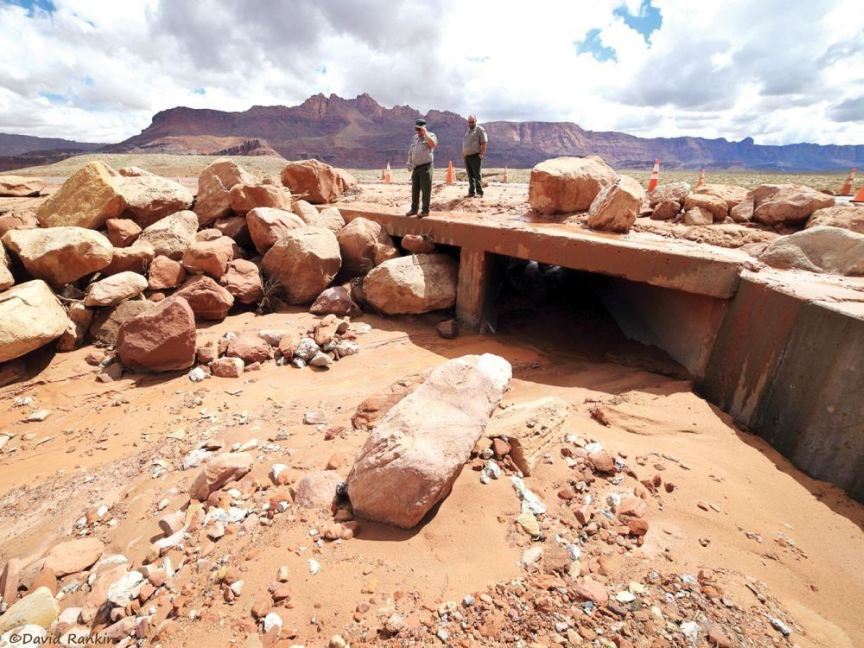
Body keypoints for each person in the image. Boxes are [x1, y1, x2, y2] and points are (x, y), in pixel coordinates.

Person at [405, 118, 437, 218]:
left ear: (424, 127)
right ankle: (414, 209)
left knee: (425, 190)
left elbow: (433, 144)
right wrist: (409, 162)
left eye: (419, 129)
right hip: (416, 167)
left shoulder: (431, 135)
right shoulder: (414, 138)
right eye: (416, 129)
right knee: (415, 189)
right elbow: (411, 151)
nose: (418, 131)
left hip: (426, 166)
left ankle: (425, 211)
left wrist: (425, 133)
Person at [462, 114, 488, 197]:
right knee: (470, 175)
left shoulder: (479, 129)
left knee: (477, 175)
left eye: (472, 122)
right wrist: (464, 153)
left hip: (475, 156)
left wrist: (481, 154)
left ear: (476, 121)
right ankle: (471, 192)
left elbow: (484, 142)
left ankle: (479, 192)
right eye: (469, 122)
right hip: (467, 157)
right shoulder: (468, 131)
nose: (471, 123)